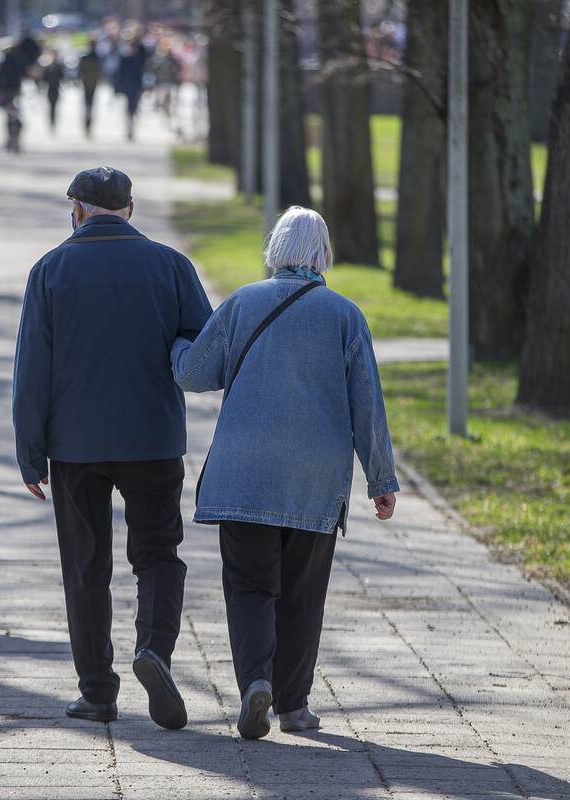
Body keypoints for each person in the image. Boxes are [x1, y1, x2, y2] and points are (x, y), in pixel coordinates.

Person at [170, 207, 399, 740]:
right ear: (324, 256)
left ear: (274, 251)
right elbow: (368, 407)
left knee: (249, 587)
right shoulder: (345, 316)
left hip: (244, 475)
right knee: (303, 591)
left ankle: (255, 682)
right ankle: (294, 706)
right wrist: (382, 480)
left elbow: (192, 373)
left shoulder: (242, 303)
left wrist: (175, 341)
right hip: (313, 483)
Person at [13, 167, 213, 730]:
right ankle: (153, 648)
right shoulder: (170, 266)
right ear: (130, 208)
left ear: (77, 209)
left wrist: (30, 451)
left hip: (75, 445)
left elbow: (32, 370)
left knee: (85, 565)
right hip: (152, 437)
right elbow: (204, 347)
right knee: (158, 553)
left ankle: (98, 691)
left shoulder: (50, 270)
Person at [115, 32, 149, 141]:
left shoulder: (138, 59)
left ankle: (131, 127)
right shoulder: (126, 59)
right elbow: (120, 74)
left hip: (134, 86)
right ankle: (130, 127)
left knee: (132, 108)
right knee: (130, 108)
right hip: (130, 86)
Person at [77, 46, 101, 138]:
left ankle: (87, 125)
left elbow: (80, 71)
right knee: (90, 105)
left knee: (88, 105)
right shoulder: (95, 58)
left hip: (88, 83)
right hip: (89, 83)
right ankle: (87, 125)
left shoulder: (87, 58)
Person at [41, 50, 64, 133]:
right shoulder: (48, 67)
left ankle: (53, 123)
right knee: (51, 107)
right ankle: (51, 122)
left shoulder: (59, 67)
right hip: (50, 90)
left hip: (56, 90)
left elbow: (62, 77)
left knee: (54, 107)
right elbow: (44, 78)